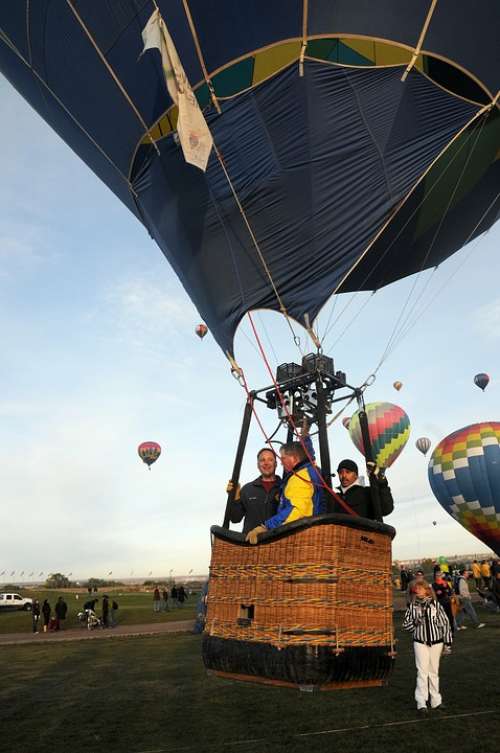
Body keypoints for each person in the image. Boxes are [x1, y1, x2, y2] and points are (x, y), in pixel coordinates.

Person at [245, 439, 323, 544]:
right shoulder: (310, 471)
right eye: (262, 460)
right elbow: (307, 454)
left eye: (283, 458)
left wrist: (266, 527)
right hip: (311, 533)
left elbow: (296, 510)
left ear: (294, 458)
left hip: (302, 538)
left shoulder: (299, 478)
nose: (281, 462)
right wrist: (305, 435)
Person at [402, 581, 452, 714]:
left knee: (434, 672)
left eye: (420, 588)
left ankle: (436, 701)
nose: (417, 590)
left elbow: (445, 624)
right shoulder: (412, 606)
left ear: (426, 591)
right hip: (420, 642)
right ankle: (421, 702)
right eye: (416, 589)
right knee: (422, 672)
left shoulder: (436, 605)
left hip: (437, 642)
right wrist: (416, 623)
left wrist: (447, 643)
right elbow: (406, 625)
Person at [228, 447, 281, 535]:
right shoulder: (247, 489)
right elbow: (235, 518)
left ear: (276, 464)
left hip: (278, 543)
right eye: (262, 460)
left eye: (270, 460)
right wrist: (234, 496)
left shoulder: (284, 487)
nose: (266, 463)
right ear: (258, 465)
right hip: (251, 544)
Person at [432, 569, 455, 648]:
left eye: (440, 575)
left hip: (447, 602)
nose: (438, 577)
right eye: (437, 576)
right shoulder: (434, 585)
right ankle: (442, 634)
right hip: (439, 604)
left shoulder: (445, 583)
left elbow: (450, 592)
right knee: (442, 619)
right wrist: (439, 592)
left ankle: (451, 633)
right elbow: (435, 594)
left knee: (450, 617)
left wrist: (448, 593)